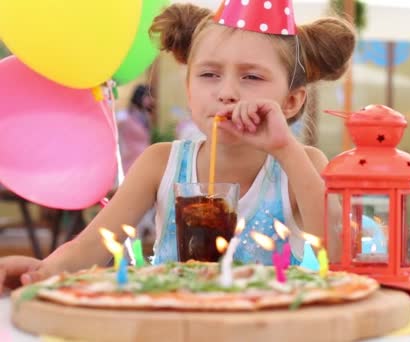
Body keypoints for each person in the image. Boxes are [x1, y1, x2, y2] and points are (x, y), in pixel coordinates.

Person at [0, 1, 355, 289]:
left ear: (291, 101)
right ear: (189, 91)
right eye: (209, 74)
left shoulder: (302, 164)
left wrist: (285, 149)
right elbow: (92, 245)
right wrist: (41, 273)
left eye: (251, 77)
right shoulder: (161, 163)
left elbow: (337, 252)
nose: (226, 91)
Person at [116, 84, 155, 173]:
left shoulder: (145, 116)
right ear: (139, 97)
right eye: (147, 96)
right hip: (129, 161)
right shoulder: (125, 115)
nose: (150, 100)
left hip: (144, 159)